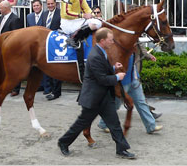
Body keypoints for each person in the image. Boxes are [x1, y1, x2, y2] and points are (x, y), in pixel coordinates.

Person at [58, 28, 136, 159]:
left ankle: (121, 149)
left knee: (115, 124)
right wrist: (118, 77)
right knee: (81, 124)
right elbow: (102, 79)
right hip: (93, 98)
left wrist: (113, 68)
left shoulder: (101, 52)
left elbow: (101, 71)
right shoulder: (94, 55)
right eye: (110, 40)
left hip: (103, 96)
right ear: (102, 41)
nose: (112, 42)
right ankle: (63, 142)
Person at [98, 44, 163, 134]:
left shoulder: (134, 40)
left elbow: (141, 49)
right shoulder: (118, 44)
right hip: (122, 81)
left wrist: (148, 56)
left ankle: (151, 126)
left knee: (141, 102)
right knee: (116, 104)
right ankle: (103, 123)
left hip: (133, 78)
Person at [42, 0, 63, 101]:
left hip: (56, 44)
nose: (50, 5)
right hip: (46, 44)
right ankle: (50, 90)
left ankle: (56, 92)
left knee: (56, 69)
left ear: (56, 3)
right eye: (48, 4)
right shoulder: (44, 14)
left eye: (52, 3)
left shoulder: (60, 13)